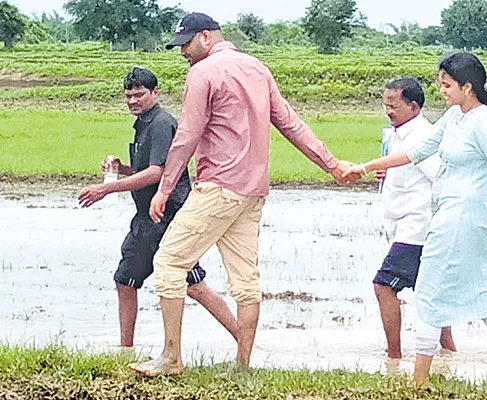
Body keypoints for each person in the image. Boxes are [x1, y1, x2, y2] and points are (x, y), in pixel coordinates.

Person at [128, 13, 354, 377]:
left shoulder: (202, 74)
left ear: (206, 37)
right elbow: (291, 124)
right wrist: (332, 164)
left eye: (186, 44)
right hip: (253, 192)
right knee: (245, 281)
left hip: (218, 187)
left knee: (169, 264)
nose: (182, 52)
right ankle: (242, 366)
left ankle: (171, 358)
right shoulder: (257, 68)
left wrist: (165, 189)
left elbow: (186, 135)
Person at [343, 53, 487, 387]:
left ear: (467, 87)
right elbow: (416, 151)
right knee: (482, 292)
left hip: (462, 219)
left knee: (428, 292)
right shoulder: (455, 116)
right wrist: (365, 167)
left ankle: (419, 380)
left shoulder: (483, 121)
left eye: (446, 85)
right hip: (448, 216)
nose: (441, 91)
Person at [78, 68, 239, 349]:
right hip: (153, 216)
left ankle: (244, 340)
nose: (132, 101)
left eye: (139, 94)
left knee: (184, 285)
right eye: (128, 96)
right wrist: (121, 169)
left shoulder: (162, 123)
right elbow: (146, 169)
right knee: (134, 281)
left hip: (164, 216)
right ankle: (126, 350)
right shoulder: (144, 123)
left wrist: (105, 188)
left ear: (155, 93)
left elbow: (158, 172)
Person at [374, 78, 456, 368]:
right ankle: (449, 354)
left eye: (394, 106)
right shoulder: (396, 134)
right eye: (386, 105)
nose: (388, 111)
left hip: (417, 227)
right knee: (429, 292)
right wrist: (387, 174)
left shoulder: (422, 137)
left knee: (384, 286)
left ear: (413, 106)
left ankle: (393, 357)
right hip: (403, 225)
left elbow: (441, 180)